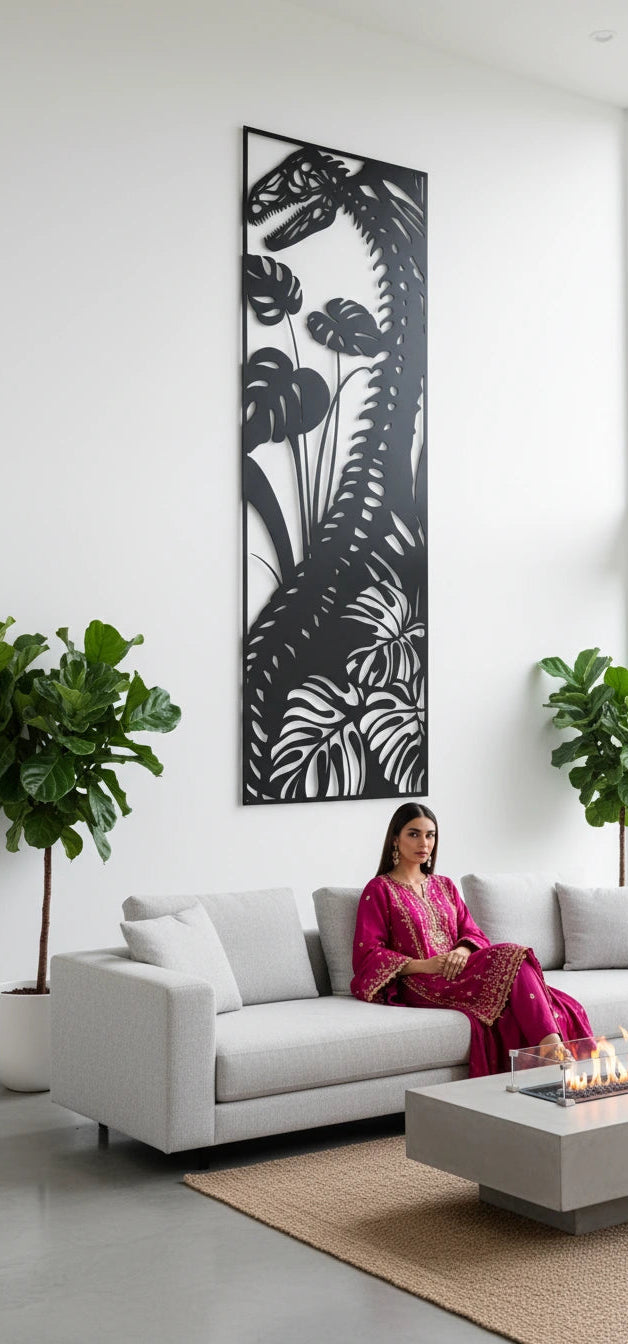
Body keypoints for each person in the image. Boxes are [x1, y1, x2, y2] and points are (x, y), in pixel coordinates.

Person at [350, 801, 594, 1077]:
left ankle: (553, 1057)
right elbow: (368, 954)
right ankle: (552, 1050)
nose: (424, 843)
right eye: (414, 834)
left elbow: (472, 932)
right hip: (421, 982)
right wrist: (426, 965)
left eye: (430, 835)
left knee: (537, 982)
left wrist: (463, 951)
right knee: (514, 957)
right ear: (395, 838)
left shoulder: (444, 885)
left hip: (461, 972)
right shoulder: (380, 889)